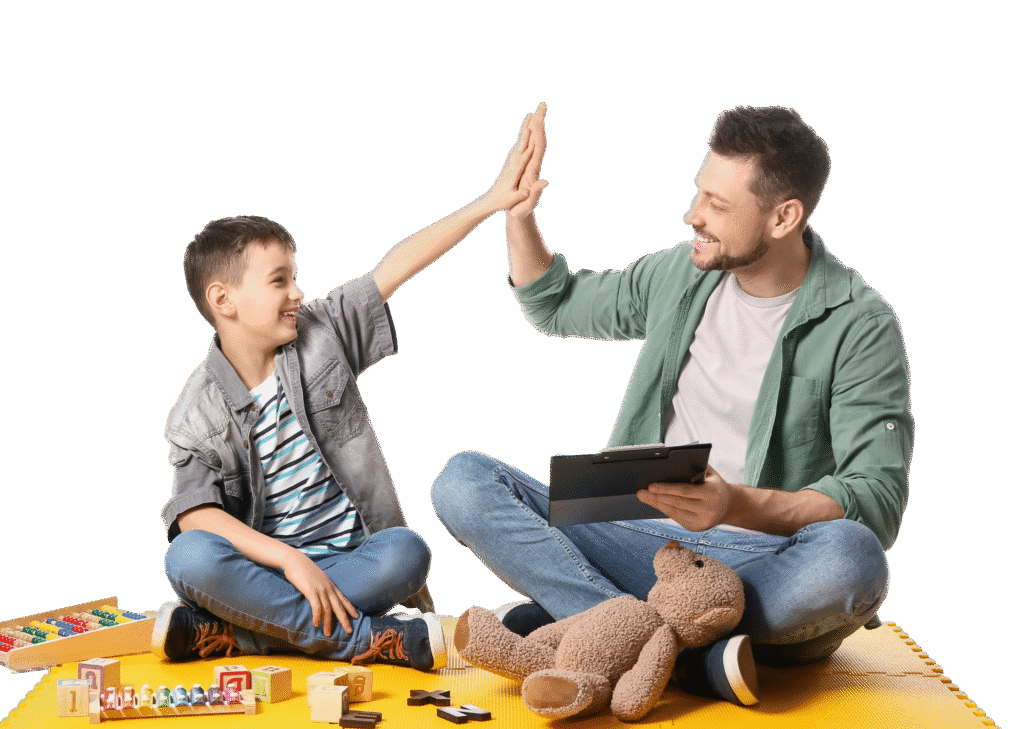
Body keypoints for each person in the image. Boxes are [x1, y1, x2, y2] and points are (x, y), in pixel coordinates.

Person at [431, 104, 913, 703]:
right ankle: (676, 654)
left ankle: (589, 623)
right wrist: (519, 215)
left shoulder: (860, 324)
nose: (693, 216)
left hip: (756, 562)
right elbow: (554, 303)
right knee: (464, 481)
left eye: (718, 205)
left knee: (853, 560)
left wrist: (732, 503)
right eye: (698, 193)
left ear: (784, 216)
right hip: (639, 541)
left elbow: (876, 500)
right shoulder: (680, 274)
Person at [152, 105, 548, 672]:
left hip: (353, 563)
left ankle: (247, 635)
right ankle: (364, 640)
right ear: (224, 301)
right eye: (279, 280)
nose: (297, 292)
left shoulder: (321, 333)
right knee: (189, 557)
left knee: (408, 552)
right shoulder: (198, 412)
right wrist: (290, 562)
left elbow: (395, 266)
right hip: (269, 573)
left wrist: (491, 200)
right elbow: (196, 518)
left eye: (295, 276)